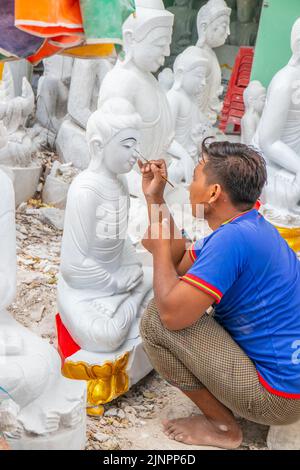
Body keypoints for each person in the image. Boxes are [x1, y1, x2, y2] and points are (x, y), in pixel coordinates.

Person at [138, 139, 300, 449]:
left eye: (196, 177)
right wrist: (155, 197)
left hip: (279, 399)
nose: (188, 187)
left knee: (156, 320)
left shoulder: (233, 240)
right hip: (290, 381)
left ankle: (224, 427)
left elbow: (172, 314)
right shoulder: (247, 226)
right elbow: (179, 259)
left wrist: (158, 250)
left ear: (213, 193)